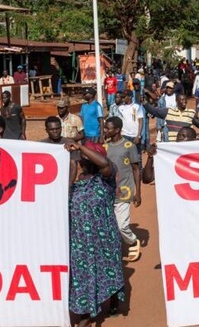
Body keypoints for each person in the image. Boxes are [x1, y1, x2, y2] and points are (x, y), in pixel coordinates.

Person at [65, 140, 125, 327]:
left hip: (103, 237)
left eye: (85, 157)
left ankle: (113, 299)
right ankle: (87, 312)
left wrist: (81, 147)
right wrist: (71, 176)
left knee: (109, 269)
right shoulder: (75, 183)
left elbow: (105, 164)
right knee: (83, 274)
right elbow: (62, 199)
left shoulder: (104, 178)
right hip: (80, 240)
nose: (81, 160)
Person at [103, 116, 142, 262]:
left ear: (117, 130)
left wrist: (138, 193)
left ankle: (132, 241)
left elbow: (136, 170)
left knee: (121, 226)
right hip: (108, 191)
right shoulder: (105, 147)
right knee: (109, 224)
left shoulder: (129, 146)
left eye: (108, 128)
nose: (105, 130)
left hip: (125, 192)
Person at [40, 116, 79, 184]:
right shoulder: (41, 145)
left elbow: (73, 166)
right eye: (52, 129)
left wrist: (68, 186)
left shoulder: (70, 143)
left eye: (57, 128)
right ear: (46, 130)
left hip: (64, 180)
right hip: (46, 181)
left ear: (61, 128)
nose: (55, 131)